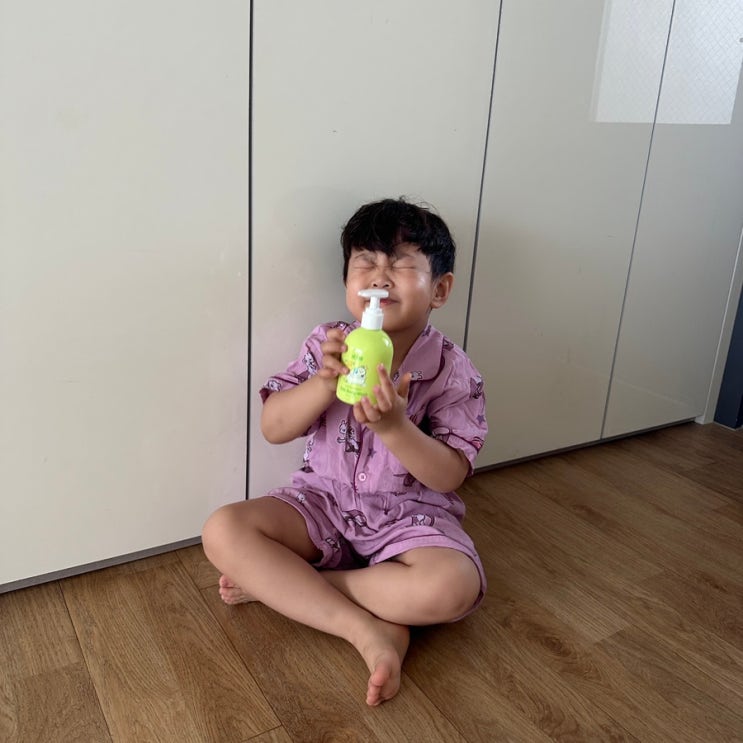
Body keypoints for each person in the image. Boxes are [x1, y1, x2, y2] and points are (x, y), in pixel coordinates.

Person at [202, 197, 488, 706]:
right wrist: (321, 384)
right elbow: (273, 427)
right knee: (223, 530)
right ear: (347, 283)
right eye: (366, 262)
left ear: (440, 289)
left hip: (410, 518)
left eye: (401, 263)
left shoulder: (452, 371)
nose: (380, 277)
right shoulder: (327, 345)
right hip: (322, 503)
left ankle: (297, 586)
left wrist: (396, 428)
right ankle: (366, 628)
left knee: (453, 586)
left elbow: (449, 475)